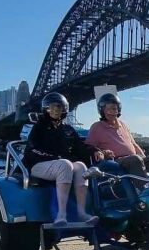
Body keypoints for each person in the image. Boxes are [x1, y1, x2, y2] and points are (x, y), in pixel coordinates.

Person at [22, 92, 99, 226]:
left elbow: (80, 147)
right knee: (65, 164)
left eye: (60, 107)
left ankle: (81, 213)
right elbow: (32, 148)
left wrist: (96, 152)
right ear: (46, 108)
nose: (56, 110)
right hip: (38, 165)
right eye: (53, 107)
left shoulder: (68, 129)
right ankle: (61, 214)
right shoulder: (39, 127)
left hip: (62, 165)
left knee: (80, 166)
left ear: (65, 109)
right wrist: (55, 158)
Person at [86, 93, 149, 185]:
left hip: (136, 160)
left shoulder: (122, 125)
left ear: (118, 110)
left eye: (114, 109)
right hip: (117, 161)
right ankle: (146, 189)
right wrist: (101, 152)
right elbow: (89, 147)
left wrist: (143, 158)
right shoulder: (96, 127)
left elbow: (133, 144)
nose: (110, 112)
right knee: (134, 159)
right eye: (107, 109)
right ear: (102, 110)